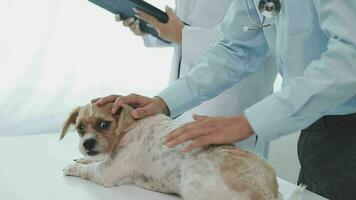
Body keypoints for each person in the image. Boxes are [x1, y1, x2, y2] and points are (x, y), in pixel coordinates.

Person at [97, 0, 356, 199]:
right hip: (318, 130)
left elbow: (350, 59)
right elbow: (236, 47)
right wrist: (164, 102)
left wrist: (249, 121)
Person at [114, 0, 277, 158]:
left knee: (229, 172)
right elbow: (232, 42)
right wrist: (155, 28)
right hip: (191, 85)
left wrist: (183, 35)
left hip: (231, 96)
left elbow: (253, 40)